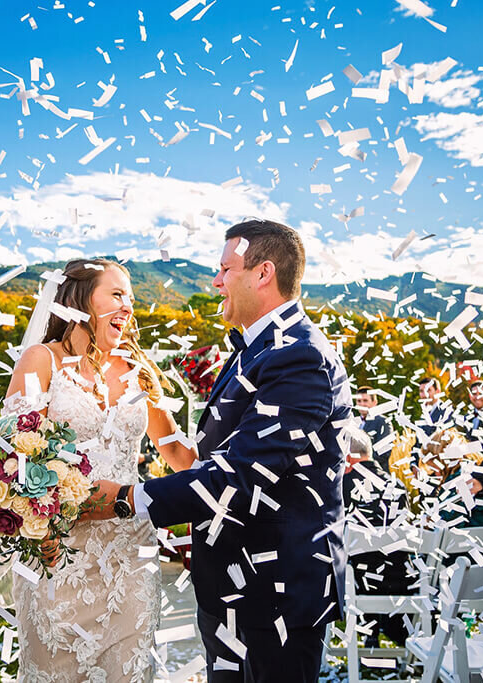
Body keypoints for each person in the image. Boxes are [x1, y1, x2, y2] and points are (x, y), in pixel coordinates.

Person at [89, 220, 352, 682]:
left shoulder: (300, 356)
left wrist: (125, 499)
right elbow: (217, 455)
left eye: (225, 268)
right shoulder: (255, 348)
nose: (215, 281)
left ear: (263, 272)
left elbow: (241, 475)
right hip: (229, 591)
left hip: (276, 597)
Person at [3, 258, 198, 682]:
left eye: (131, 297)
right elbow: (11, 458)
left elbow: (179, 455)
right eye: (116, 294)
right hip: (59, 555)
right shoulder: (42, 361)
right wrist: (45, 520)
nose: (129, 306)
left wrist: (231, 429)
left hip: (130, 553)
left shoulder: (139, 372)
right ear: (78, 299)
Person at [343, 430, 412, 649]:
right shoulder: (397, 485)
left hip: (360, 584)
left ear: (348, 456)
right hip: (401, 582)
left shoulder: (342, 486)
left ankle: (369, 633)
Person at [355, 385, 393, 470]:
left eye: (365, 401)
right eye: (359, 401)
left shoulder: (383, 422)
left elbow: (384, 451)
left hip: (375, 473)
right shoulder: (353, 423)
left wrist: (361, 461)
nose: (362, 404)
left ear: (374, 402)